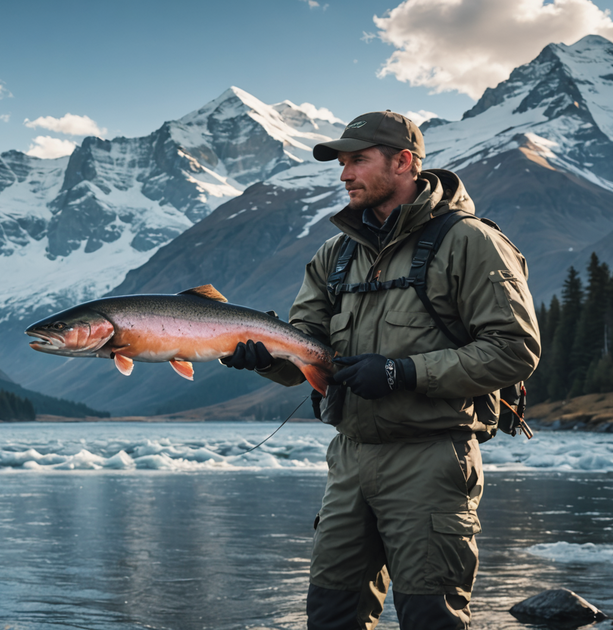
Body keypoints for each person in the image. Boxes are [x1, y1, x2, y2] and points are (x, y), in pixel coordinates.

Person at [221, 111, 540, 629]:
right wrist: (264, 359)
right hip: (348, 462)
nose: (344, 174)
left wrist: (401, 374)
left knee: (430, 618)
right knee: (330, 616)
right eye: (342, 163)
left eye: (357, 161)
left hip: (432, 460)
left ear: (404, 163)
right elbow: (309, 349)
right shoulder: (334, 254)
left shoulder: (471, 242)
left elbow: (513, 350)